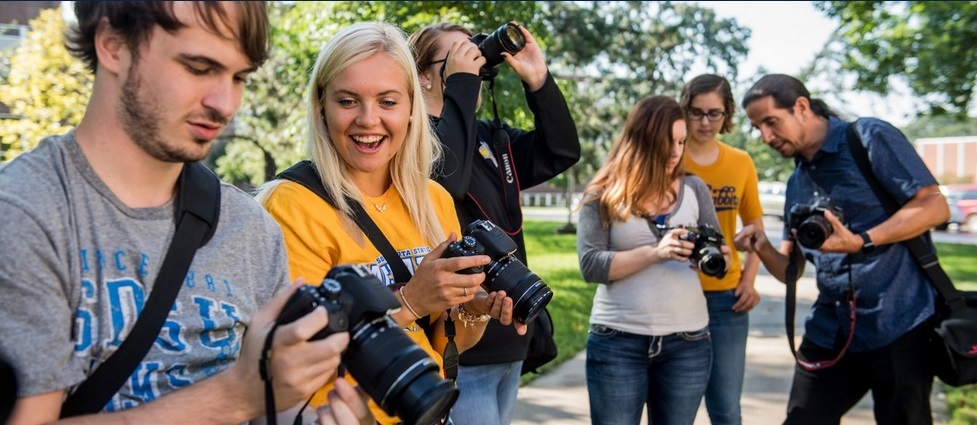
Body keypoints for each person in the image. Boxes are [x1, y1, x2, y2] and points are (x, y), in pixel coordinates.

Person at [0, 2, 372, 425]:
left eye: (239, 77)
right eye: (198, 68)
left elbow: (279, 412)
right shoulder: (24, 214)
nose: (225, 103)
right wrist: (235, 397)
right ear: (113, 45)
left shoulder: (250, 228)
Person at [258, 22, 524, 425]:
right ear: (321, 106)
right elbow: (300, 355)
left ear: (412, 107)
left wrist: (473, 306)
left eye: (387, 101)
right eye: (348, 101)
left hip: (429, 410)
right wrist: (412, 300)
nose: (369, 120)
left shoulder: (431, 198)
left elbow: (445, 342)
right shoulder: (291, 205)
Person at [734, 74, 949, 424]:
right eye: (758, 127)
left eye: (771, 122)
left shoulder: (867, 138)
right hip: (831, 329)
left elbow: (935, 206)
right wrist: (760, 245)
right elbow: (791, 269)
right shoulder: (796, 181)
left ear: (801, 107)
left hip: (899, 323)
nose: (766, 137)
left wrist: (861, 240)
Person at [408, 22, 581, 425]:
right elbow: (447, 179)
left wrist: (538, 79)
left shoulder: (488, 138)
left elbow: (561, 151)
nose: (471, 64)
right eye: (456, 58)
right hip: (463, 345)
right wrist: (461, 89)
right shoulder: (413, 143)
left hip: (510, 336)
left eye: (475, 55)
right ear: (421, 76)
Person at [577, 95, 728, 425]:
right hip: (617, 340)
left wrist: (716, 254)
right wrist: (656, 253)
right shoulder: (602, 193)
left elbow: (716, 248)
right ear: (643, 139)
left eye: (681, 142)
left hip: (688, 343)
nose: (677, 152)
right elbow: (591, 266)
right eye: (668, 142)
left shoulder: (695, 188)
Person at [679, 74, 763, 425]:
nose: (705, 122)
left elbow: (754, 229)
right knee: (675, 407)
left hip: (727, 297)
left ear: (727, 114)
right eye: (696, 113)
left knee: (726, 406)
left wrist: (749, 279)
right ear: (684, 110)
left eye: (714, 114)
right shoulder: (671, 156)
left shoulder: (741, 161)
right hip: (676, 293)